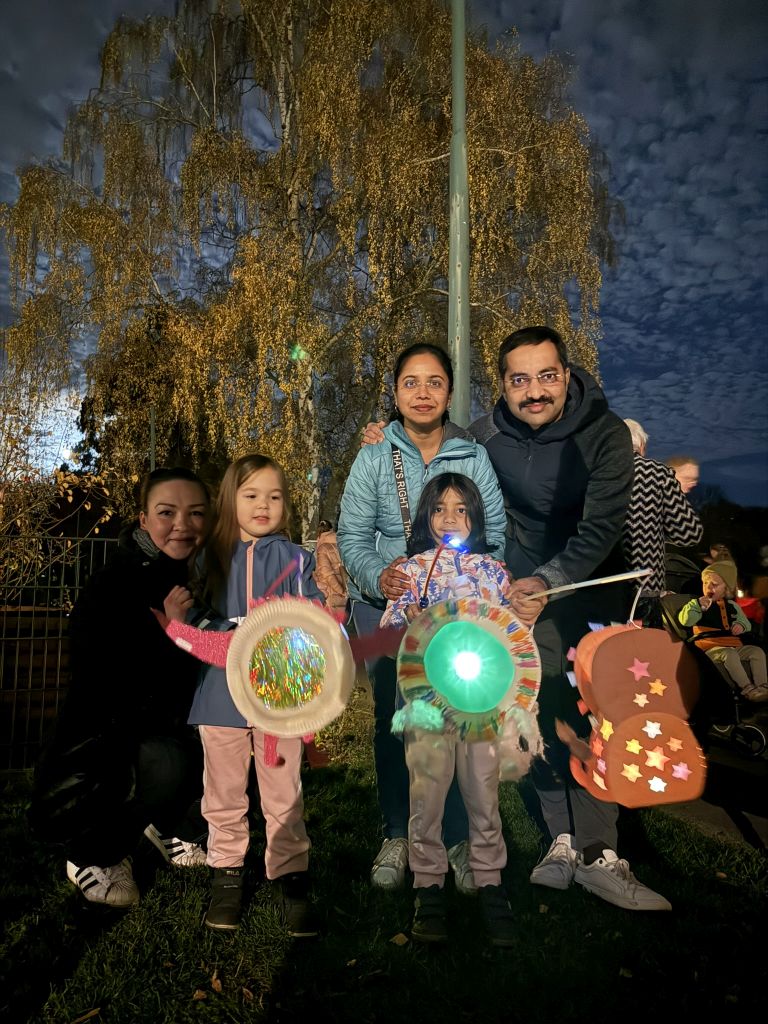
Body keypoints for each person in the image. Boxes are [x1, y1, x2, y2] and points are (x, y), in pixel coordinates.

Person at [470, 326, 671, 911]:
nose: (534, 391)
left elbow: (602, 526)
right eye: (519, 380)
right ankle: (560, 839)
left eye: (546, 376)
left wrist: (549, 581)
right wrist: (384, 431)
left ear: (566, 375)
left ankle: (599, 852)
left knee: (595, 715)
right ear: (502, 385)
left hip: (590, 589)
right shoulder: (486, 436)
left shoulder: (605, 434)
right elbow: (439, 448)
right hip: (522, 599)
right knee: (536, 708)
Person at [338, 342, 507, 894]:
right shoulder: (374, 455)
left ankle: (454, 837)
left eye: (435, 382)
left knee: (455, 717)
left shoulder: (473, 456)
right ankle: (398, 833)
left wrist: (476, 594)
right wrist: (379, 577)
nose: (423, 393)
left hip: (456, 612)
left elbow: (495, 534)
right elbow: (352, 535)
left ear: (450, 392)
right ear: (395, 392)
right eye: (410, 382)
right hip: (388, 606)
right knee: (397, 720)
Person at [31, 467, 211, 907]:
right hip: (102, 745)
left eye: (195, 513)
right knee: (166, 763)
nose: (182, 525)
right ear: (143, 519)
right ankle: (92, 854)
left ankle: (167, 826)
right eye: (167, 512)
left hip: (165, 727)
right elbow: (112, 678)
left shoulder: (193, 576)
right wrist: (174, 634)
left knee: (230, 739)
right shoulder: (114, 582)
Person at [167, 453, 324, 934]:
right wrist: (223, 634)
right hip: (220, 695)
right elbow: (193, 618)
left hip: (280, 696)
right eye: (251, 495)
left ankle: (291, 877)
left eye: (274, 496)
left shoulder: (298, 560)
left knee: (283, 791)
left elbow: (315, 617)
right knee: (223, 791)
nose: (263, 505)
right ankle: (227, 877)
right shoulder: (207, 558)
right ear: (229, 500)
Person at [380, 473, 518, 946]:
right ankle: (428, 886)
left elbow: (511, 634)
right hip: (425, 703)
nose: (450, 518)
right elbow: (390, 637)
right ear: (426, 516)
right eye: (440, 508)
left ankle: (491, 882)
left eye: (461, 509)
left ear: (476, 516)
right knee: (427, 792)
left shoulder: (493, 573)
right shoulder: (411, 572)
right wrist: (410, 624)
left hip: (480, 704)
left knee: (483, 792)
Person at [621, 418, 703, 626]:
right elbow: (689, 533)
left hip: (596, 587)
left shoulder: (590, 474)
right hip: (644, 590)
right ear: (642, 446)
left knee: (597, 645)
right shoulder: (657, 473)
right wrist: (654, 528)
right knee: (641, 646)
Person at [678, 560, 768, 702]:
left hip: (732, 645)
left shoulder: (732, 606)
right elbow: (686, 621)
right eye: (705, 583)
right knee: (729, 654)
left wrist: (741, 625)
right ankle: (747, 689)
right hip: (709, 648)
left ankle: (763, 687)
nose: (708, 587)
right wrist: (697, 607)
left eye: (714, 584)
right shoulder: (696, 604)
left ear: (727, 589)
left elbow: (746, 623)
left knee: (756, 651)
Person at [314, 519, 348, 614]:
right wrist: (345, 590)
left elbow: (327, 574)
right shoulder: (342, 544)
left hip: (331, 594)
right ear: (331, 529)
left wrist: (341, 591)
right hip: (346, 590)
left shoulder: (322, 548)